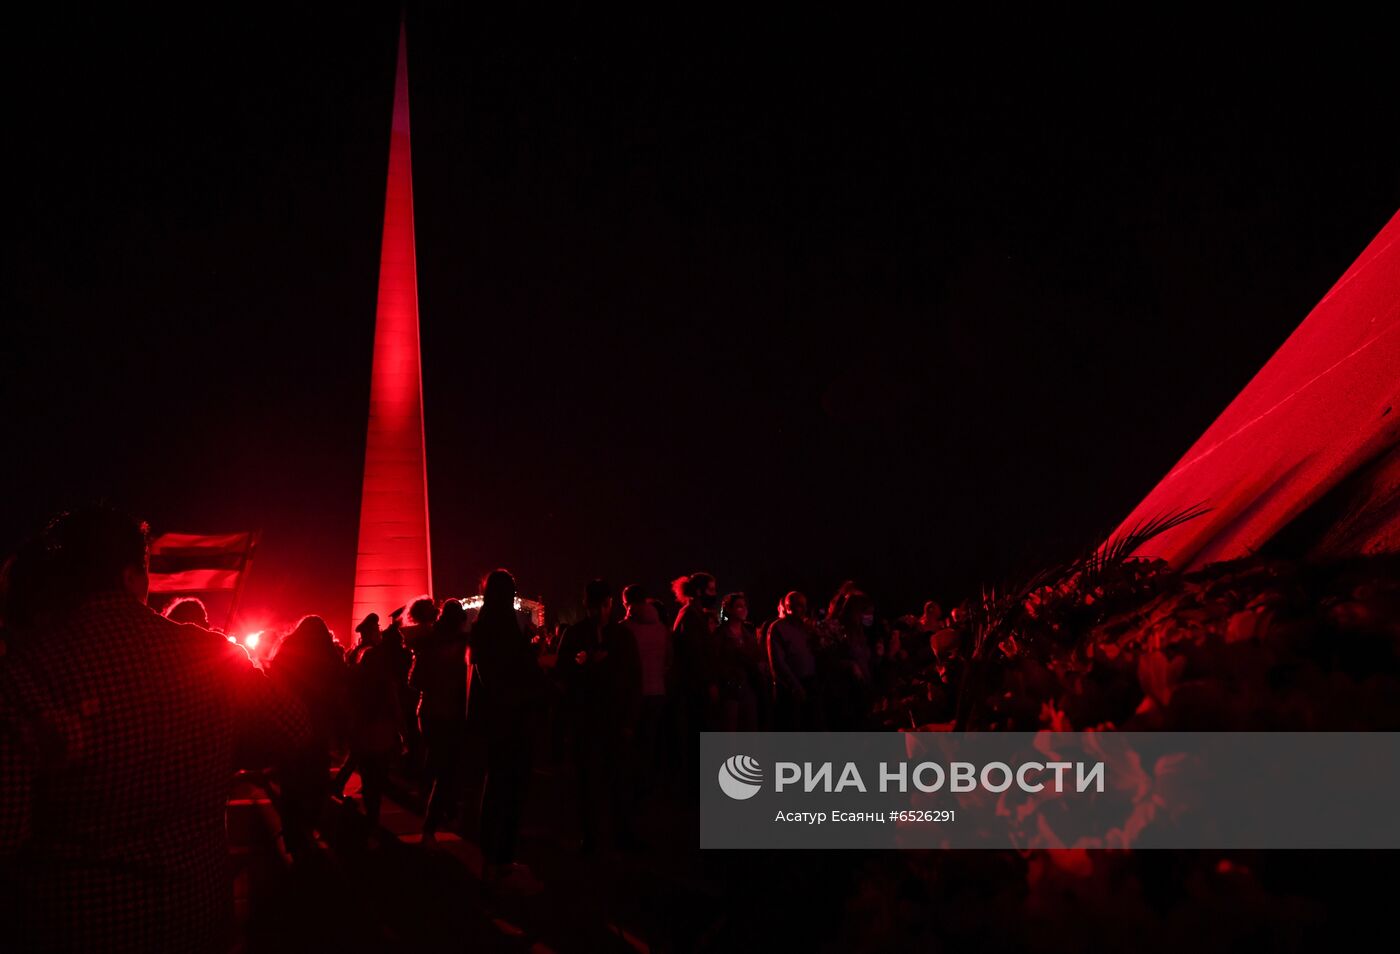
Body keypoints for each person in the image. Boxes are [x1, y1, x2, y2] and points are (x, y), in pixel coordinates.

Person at [0, 506, 309, 952]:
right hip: (197, 917)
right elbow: (295, 728)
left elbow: (6, 833)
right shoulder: (211, 655)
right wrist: (226, 748)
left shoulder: (27, 671)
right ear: (134, 576)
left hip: (74, 925)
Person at [469, 569, 550, 887]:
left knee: (495, 787)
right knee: (511, 789)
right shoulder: (502, 627)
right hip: (513, 719)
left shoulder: (483, 625)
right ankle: (501, 859)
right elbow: (514, 673)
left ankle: (492, 856)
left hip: (496, 719)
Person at [557, 580, 642, 852]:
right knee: (592, 780)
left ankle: (617, 833)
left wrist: (629, 718)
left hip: (609, 717)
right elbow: (563, 674)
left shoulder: (617, 636)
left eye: (601, 605)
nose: (599, 611)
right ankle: (596, 835)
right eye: (596, 606)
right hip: (591, 717)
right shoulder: (579, 635)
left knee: (615, 779)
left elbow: (633, 678)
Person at [269, 615, 348, 863]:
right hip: (318, 730)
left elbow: (273, 687)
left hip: (290, 726)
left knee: (291, 783)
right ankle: (309, 825)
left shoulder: (286, 654)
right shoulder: (330, 659)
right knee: (316, 781)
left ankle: (294, 835)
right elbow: (340, 696)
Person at [410, 599, 470, 844]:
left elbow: (414, 681)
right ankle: (431, 824)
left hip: (427, 711)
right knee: (447, 770)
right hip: (451, 713)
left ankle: (438, 807)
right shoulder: (463, 645)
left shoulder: (428, 644)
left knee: (437, 764)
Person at [621, 583, 670, 793]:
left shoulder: (624, 629)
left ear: (626, 602)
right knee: (649, 739)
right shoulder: (662, 629)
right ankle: (647, 784)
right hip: (658, 690)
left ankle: (629, 785)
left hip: (633, 693)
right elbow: (669, 661)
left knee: (629, 740)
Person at [768, 591, 822, 730]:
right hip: (789, 687)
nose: (802, 609)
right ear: (787, 607)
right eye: (797, 605)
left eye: (804, 605)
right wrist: (794, 685)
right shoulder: (778, 628)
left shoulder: (806, 628)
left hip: (810, 683)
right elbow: (778, 662)